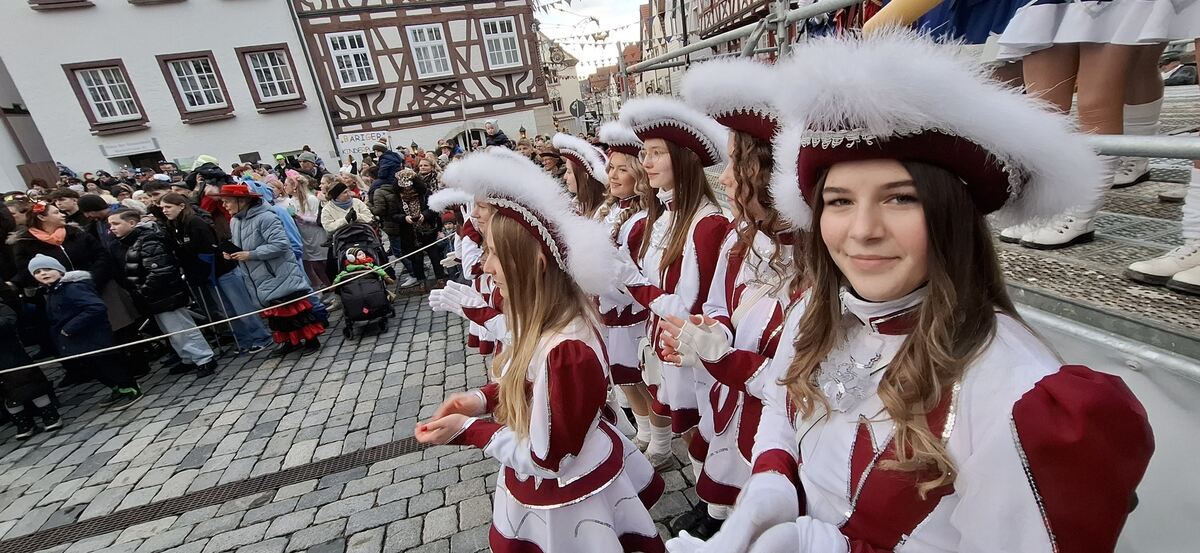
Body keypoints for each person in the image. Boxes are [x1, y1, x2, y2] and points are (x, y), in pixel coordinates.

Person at [668, 30, 1153, 553]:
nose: (862, 230)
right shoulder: (817, 313)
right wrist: (770, 487)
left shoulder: (1019, 396)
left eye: (899, 199)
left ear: (952, 215)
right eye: (839, 201)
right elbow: (782, 419)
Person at [419, 149, 665, 552]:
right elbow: (537, 385)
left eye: (494, 253)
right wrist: (480, 399)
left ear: (534, 260)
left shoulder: (567, 350)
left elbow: (546, 457)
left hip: (569, 495)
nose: (485, 266)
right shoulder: (549, 323)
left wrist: (468, 432)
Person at [653, 57, 799, 539]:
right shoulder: (742, 239)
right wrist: (711, 330)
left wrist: (725, 357)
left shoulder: (824, 267)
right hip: (731, 404)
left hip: (777, 433)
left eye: (739, 163)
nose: (728, 178)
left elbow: (798, 387)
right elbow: (718, 302)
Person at [615, 96, 731, 488]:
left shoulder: (707, 224)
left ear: (683, 159)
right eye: (644, 153)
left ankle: (715, 507)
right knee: (687, 430)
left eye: (655, 153)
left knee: (703, 432)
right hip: (667, 345)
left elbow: (690, 307)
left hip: (694, 353)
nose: (644, 162)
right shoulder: (669, 215)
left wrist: (631, 281)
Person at [595, 120, 670, 466]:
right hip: (610, 309)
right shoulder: (611, 211)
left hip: (631, 314)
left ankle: (661, 441)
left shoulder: (640, 220)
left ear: (638, 175)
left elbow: (637, 276)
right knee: (626, 378)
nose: (612, 175)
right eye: (610, 167)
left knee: (645, 379)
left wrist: (603, 279)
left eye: (622, 169)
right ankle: (643, 430)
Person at [214, 184, 324, 356]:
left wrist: (251, 254)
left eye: (227, 201)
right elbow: (242, 246)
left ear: (241, 201)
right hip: (259, 275)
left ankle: (311, 339)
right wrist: (234, 254)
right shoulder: (235, 221)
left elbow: (280, 245)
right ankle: (289, 341)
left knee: (293, 311)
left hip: (278, 272)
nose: (225, 206)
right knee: (276, 315)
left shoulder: (266, 217)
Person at [108, 209, 218, 377]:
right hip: (152, 296)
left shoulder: (148, 240)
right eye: (110, 224)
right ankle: (188, 358)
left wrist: (143, 289)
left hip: (164, 293)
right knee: (171, 331)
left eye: (116, 223)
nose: (112, 228)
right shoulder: (124, 243)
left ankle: (204, 358)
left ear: (131, 223)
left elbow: (160, 270)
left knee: (182, 328)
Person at [159, 193, 274, 354]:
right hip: (206, 274)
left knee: (241, 307)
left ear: (181, 206)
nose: (164, 210)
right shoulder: (175, 224)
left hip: (222, 269)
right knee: (228, 310)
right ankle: (243, 339)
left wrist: (202, 265)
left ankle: (261, 336)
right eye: (162, 207)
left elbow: (208, 248)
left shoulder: (195, 222)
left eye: (168, 207)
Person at [29, 254, 143, 409]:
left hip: (93, 335)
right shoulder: (53, 291)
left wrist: (70, 328)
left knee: (109, 366)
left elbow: (96, 307)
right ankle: (118, 389)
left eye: (47, 269)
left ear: (60, 271)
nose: (43, 273)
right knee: (95, 368)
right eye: (37, 272)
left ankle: (131, 388)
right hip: (79, 340)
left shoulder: (73, 287)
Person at [0, 298, 59, 439]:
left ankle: (50, 416)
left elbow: (9, 322)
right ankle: (24, 424)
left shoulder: (2, 307)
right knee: (8, 395)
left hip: (12, 356)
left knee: (32, 387)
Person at [281, 175, 332, 294]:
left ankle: (334, 288)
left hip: (316, 235)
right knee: (314, 264)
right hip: (303, 236)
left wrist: (300, 218)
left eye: (286, 185)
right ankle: (327, 287)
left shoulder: (311, 199)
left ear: (294, 186)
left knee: (324, 263)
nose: (284, 187)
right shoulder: (291, 201)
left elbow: (318, 219)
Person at [553, 133, 609, 219]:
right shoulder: (575, 205)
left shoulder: (604, 213)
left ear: (585, 177)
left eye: (569, 172)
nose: (565, 177)